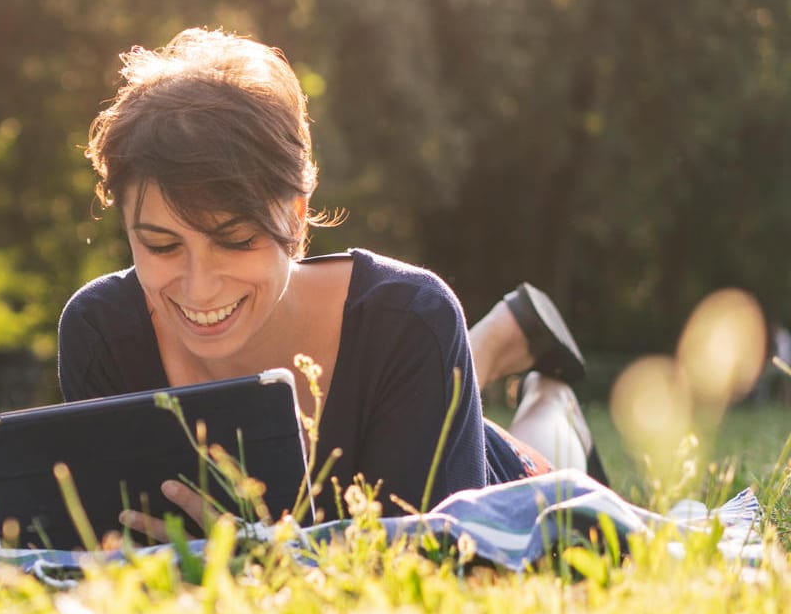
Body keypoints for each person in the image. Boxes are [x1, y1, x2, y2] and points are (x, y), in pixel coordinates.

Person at [56, 28, 603, 540]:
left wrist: (270, 554)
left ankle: (551, 405)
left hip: (503, 479)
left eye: (235, 239)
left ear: (297, 217)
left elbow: (440, 560)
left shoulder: (409, 319)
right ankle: (496, 340)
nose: (198, 289)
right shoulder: (101, 333)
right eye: (161, 245)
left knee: (548, 474)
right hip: (410, 390)